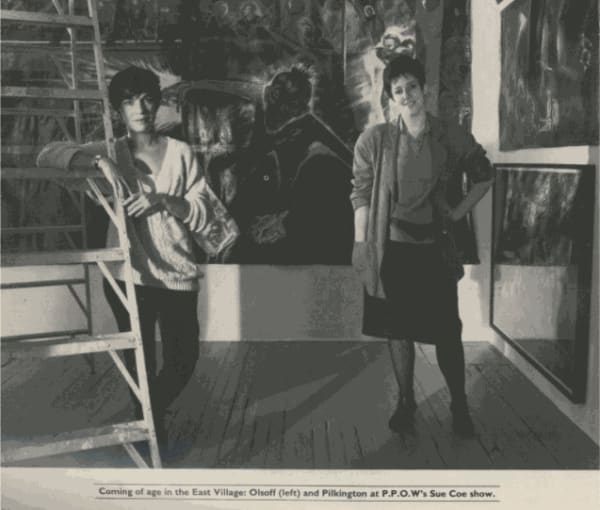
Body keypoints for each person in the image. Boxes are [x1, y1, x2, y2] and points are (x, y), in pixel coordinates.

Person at [36, 66, 210, 454]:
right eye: (130, 101)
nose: (141, 107)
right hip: (127, 275)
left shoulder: (181, 153)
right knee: (141, 364)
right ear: (118, 110)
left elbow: (203, 210)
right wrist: (99, 163)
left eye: (147, 98)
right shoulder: (109, 151)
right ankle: (150, 430)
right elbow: (46, 155)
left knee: (185, 358)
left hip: (178, 271)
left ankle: (148, 417)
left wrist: (165, 200)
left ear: (158, 102)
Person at [350, 55, 495, 438]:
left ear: (423, 88)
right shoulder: (376, 140)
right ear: (391, 99)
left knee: (448, 331)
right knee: (399, 331)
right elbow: (361, 194)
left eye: (412, 86)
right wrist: (360, 242)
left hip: (434, 250)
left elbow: (484, 175)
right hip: (393, 251)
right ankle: (405, 403)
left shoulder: (449, 135)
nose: (407, 95)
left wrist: (457, 211)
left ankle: (460, 404)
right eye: (398, 90)